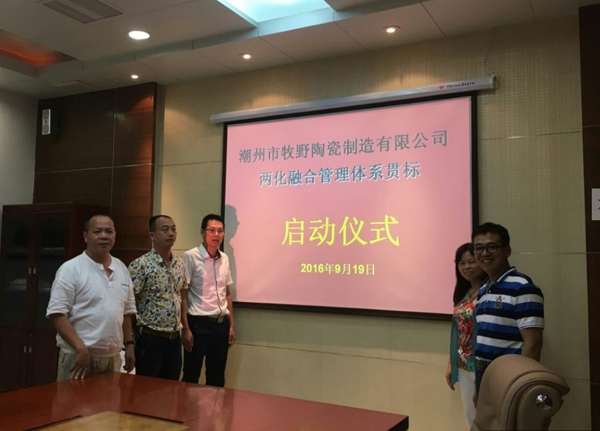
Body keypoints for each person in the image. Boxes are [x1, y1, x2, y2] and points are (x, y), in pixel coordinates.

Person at [46, 214, 136, 381]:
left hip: (112, 357)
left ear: (115, 235)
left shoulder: (122, 268)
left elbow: (126, 312)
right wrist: (80, 348)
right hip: (78, 356)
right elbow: (57, 313)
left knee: (110, 399)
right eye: (97, 232)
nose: (104, 236)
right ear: (85, 236)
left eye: (109, 232)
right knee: (73, 399)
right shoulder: (71, 269)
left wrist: (129, 345)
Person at [472, 222, 544, 397]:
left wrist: (520, 384)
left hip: (509, 374)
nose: (485, 253)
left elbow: (533, 344)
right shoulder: (484, 289)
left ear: (507, 250)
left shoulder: (523, 287)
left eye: (492, 247)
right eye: (479, 248)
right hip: (483, 372)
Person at [128, 215, 187, 380]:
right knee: (147, 390)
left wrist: (186, 328)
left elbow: (181, 297)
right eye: (165, 229)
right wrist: (130, 340)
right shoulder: (140, 265)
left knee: (171, 388)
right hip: (150, 338)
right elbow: (129, 303)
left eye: (173, 229)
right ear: (152, 235)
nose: (171, 233)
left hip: (174, 339)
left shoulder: (180, 264)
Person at [180, 214, 235, 387]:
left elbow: (227, 293)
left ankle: (214, 407)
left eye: (220, 231)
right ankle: (186, 406)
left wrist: (231, 325)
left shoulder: (224, 258)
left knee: (217, 376)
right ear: (202, 232)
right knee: (191, 374)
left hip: (221, 324)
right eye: (211, 230)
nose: (216, 234)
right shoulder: (190, 257)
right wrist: (185, 328)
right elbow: (182, 294)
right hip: (198, 324)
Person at [446, 243, 486, 429]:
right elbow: (457, 330)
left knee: (488, 418)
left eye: (471, 261)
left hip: (483, 366)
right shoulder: (463, 293)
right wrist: (451, 362)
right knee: (471, 418)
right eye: (462, 263)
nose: (466, 267)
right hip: (463, 366)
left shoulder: (489, 291)